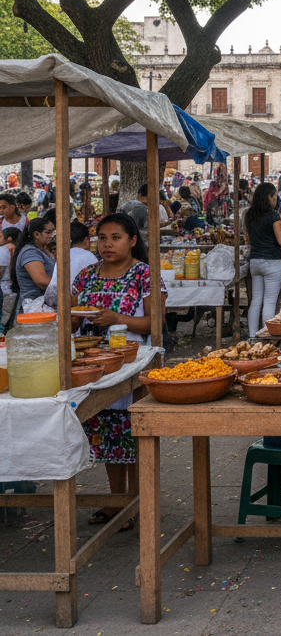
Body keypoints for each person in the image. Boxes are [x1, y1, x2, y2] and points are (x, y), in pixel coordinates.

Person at [74, 212, 165, 529]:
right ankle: (117, 501)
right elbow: (74, 317)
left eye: (116, 237)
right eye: (102, 238)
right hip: (94, 363)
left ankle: (141, 501)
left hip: (133, 361)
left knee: (135, 431)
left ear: (133, 241)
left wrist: (116, 319)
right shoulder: (86, 275)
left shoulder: (145, 275)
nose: (107, 244)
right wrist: (71, 313)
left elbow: (154, 324)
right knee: (108, 432)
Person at [245, 183, 281, 338]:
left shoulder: (249, 215)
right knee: (270, 301)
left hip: (255, 261)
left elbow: (246, 240)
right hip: (272, 262)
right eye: (274, 195)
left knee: (256, 300)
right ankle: (266, 338)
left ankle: (251, 337)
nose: (276, 199)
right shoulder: (273, 216)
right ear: (268, 197)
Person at [43, 220, 98, 308]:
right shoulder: (89, 256)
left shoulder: (63, 255)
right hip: (74, 302)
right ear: (86, 240)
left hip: (54, 301)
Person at [11, 215, 55, 312]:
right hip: (34, 305)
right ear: (36, 234)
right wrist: (65, 286)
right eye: (48, 232)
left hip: (43, 302)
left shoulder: (42, 249)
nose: (52, 235)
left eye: (53, 231)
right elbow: (42, 281)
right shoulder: (30, 253)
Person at [0, 226, 19, 328]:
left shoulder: (3, 250)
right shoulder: (16, 249)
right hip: (11, 291)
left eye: (1, 236)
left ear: (9, 238)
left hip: (4, 290)